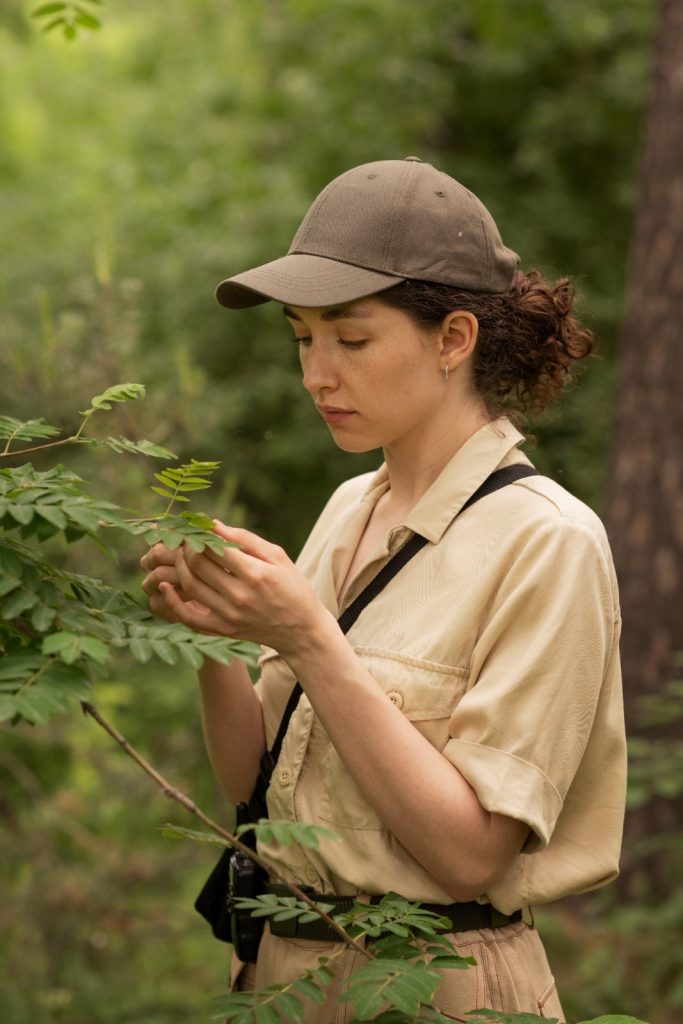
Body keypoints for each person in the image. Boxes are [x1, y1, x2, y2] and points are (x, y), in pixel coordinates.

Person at [140, 157, 626, 1022]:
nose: (315, 375)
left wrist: (308, 640)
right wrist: (210, 637)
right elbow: (255, 791)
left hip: (438, 985)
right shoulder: (346, 508)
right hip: (282, 978)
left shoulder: (547, 542)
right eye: (301, 338)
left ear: (453, 339)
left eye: (350, 339)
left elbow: (471, 856)